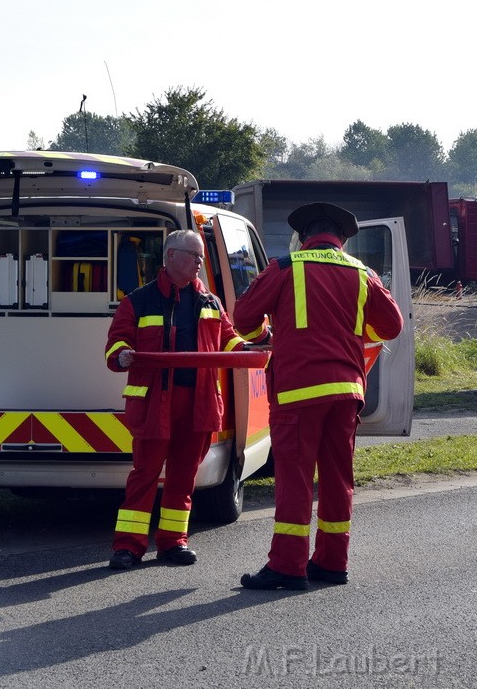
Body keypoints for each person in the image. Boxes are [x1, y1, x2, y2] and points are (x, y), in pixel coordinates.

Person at [233, 202, 404, 590]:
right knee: (337, 479)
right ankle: (331, 562)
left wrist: (266, 338)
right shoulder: (363, 273)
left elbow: (242, 318)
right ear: (342, 240)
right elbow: (391, 326)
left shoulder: (285, 268)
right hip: (347, 391)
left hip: (298, 390)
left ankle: (287, 566)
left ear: (304, 237)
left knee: (294, 478)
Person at [104, 229, 259, 570]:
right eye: (195, 256)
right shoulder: (138, 301)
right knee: (144, 475)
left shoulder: (210, 302)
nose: (200, 263)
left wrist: (246, 351)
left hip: (199, 404)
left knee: (184, 477)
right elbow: (115, 345)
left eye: (202, 257)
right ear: (171, 256)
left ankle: (173, 543)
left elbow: (228, 339)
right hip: (155, 405)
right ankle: (128, 547)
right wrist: (123, 354)